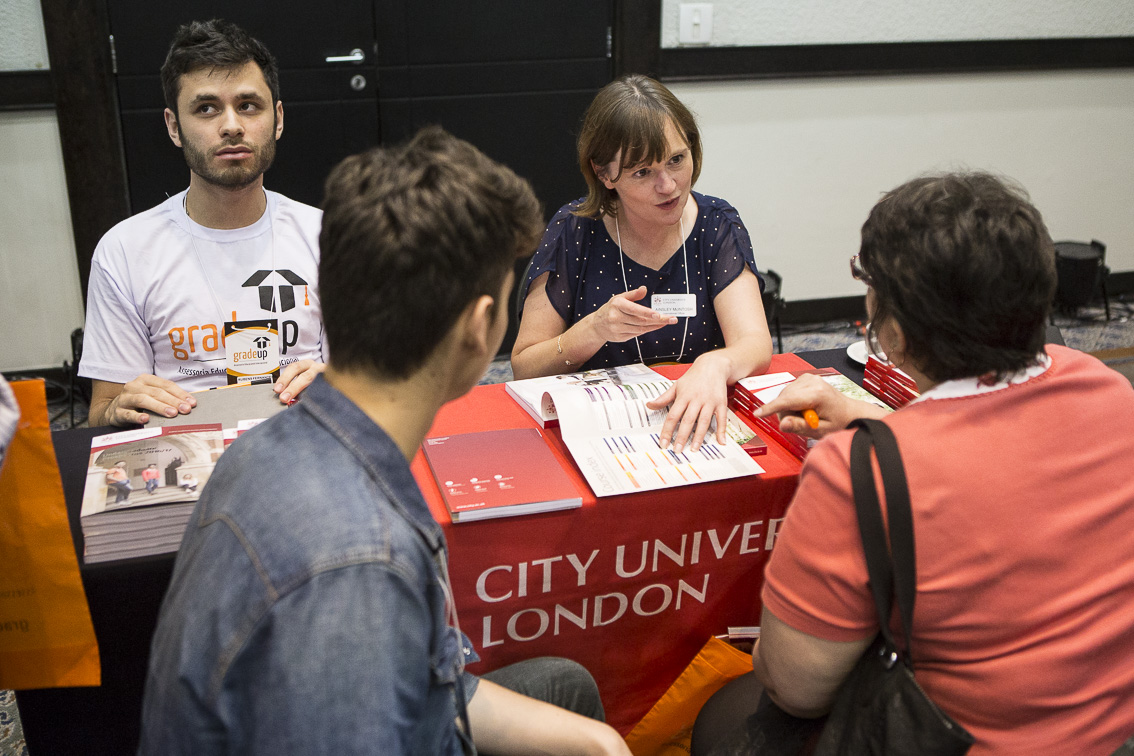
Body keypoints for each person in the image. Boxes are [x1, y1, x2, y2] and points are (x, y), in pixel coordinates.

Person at [138, 127, 631, 755]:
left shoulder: (273, 445)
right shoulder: (361, 564)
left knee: (572, 699)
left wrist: (597, 745)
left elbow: (424, 682)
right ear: (480, 329)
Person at [692, 173, 1134, 755]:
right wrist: (858, 415)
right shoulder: (1106, 387)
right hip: (1108, 727)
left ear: (894, 334)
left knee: (728, 716)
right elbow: (995, 443)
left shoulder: (860, 473)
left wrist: (868, 445)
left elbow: (796, 687)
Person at [79, 19, 325, 428]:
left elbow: (377, 392)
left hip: (304, 440)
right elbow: (100, 416)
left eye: (248, 105)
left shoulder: (329, 237)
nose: (231, 125)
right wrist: (117, 408)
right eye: (206, 108)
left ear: (278, 119)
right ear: (174, 127)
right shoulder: (124, 251)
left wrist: (341, 385)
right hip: (183, 446)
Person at [512, 74, 772, 453]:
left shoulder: (716, 223)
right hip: (602, 432)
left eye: (677, 160)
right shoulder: (575, 230)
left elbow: (754, 344)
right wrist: (595, 328)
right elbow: (524, 367)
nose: (669, 186)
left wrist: (715, 365)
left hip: (694, 422)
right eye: (642, 172)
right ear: (604, 174)